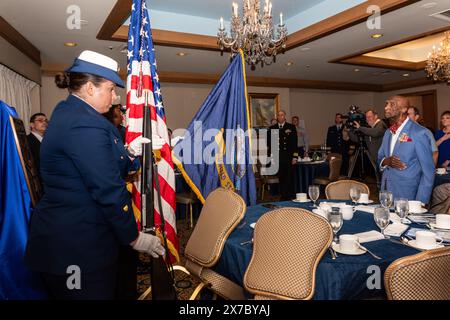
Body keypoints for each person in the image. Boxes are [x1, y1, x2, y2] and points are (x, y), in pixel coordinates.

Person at [25, 50, 166, 300]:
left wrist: (130, 155)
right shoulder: (84, 123)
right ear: (90, 88)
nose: (115, 97)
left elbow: (106, 166)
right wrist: (134, 238)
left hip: (77, 239)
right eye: (111, 89)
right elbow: (107, 189)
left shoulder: (72, 112)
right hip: (75, 247)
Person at [378, 96, 435, 204]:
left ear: (404, 109)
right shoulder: (388, 132)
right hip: (386, 191)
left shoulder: (419, 133)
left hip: (408, 194)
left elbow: (428, 172)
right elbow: (380, 157)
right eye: (386, 104)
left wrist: (420, 202)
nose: (386, 108)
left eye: (392, 104)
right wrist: (386, 161)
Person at [267, 110, 298, 200]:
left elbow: (294, 143)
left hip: (288, 157)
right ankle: (283, 196)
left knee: (289, 178)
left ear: (285, 116)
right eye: (279, 115)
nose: (280, 117)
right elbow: (270, 144)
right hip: (278, 158)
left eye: (282, 115)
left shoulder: (291, 127)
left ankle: (289, 197)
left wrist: (295, 156)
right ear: (277, 117)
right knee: (281, 178)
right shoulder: (273, 128)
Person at [348, 109, 387, 179]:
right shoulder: (368, 129)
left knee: (384, 180)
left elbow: (375, 133)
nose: (368, 119)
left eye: (370, 117)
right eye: (366, 117)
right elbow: (356, 139)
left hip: (384, 160)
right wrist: (350, 130)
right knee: (379, 179)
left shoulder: (381, 124)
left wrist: (360, 128)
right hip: (376, 159)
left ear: (376, 116)